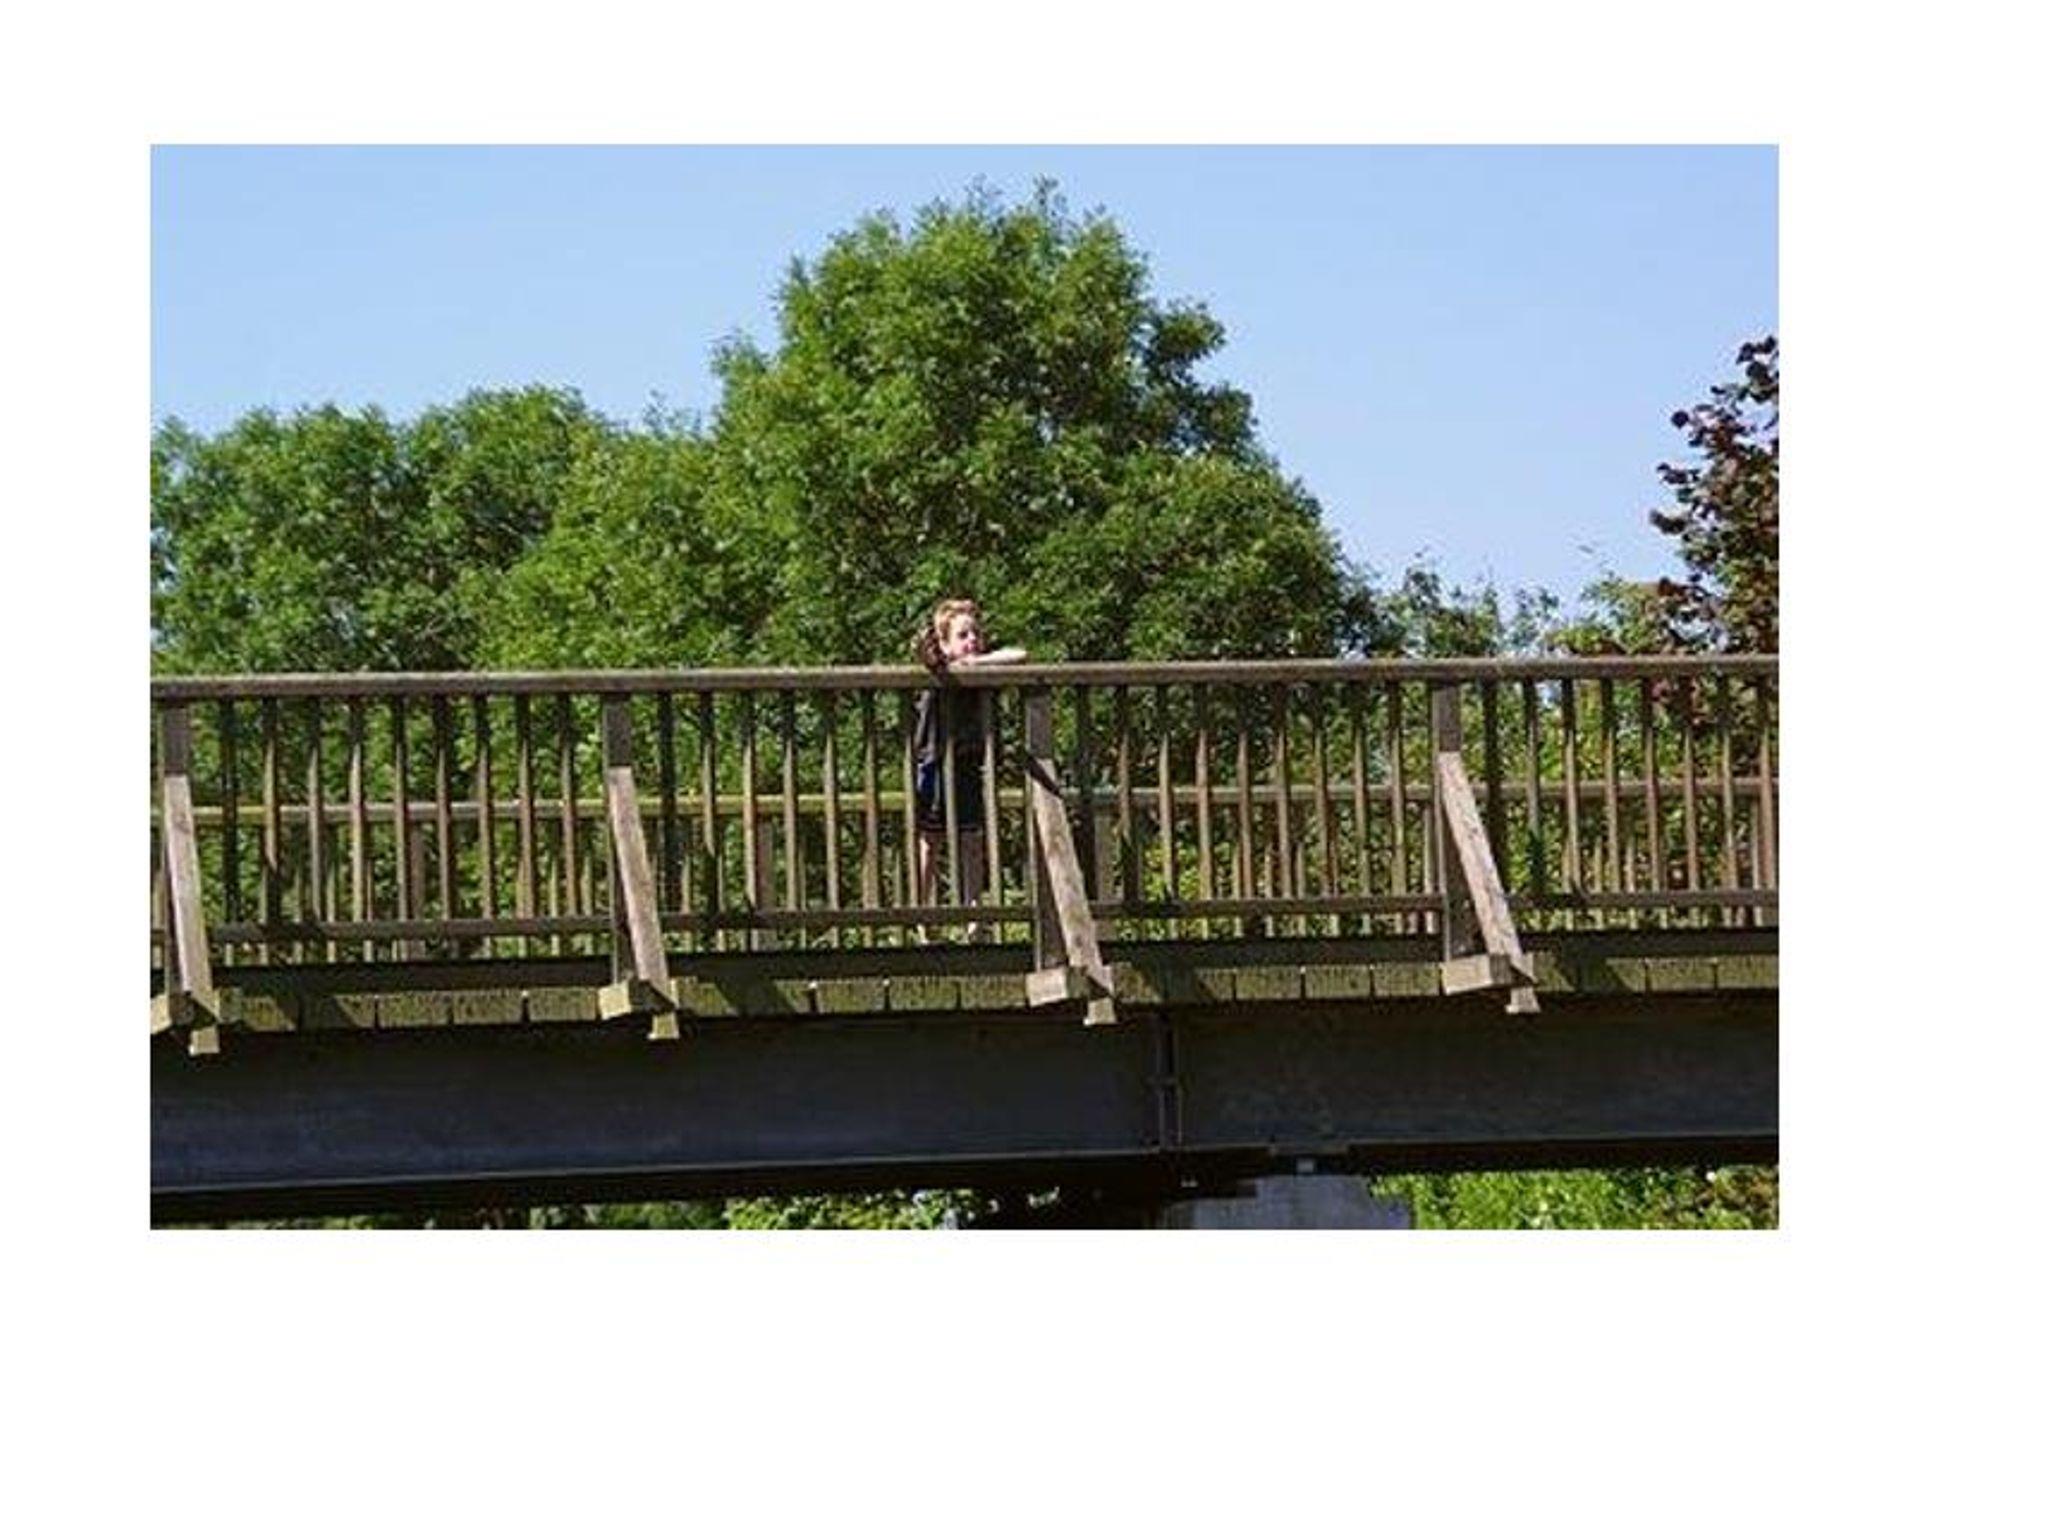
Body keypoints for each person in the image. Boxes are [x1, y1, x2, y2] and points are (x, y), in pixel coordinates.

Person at [911, 598, 1027, 937]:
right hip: (934, 762)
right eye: (963, 635)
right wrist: (949, 657)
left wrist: (979, 662)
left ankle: (974, 913)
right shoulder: (939, 670)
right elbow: (926, 653)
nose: (973, 640)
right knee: (930, 839)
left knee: (972, 839)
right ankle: (923, 914)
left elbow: (1020, 655)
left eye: (976, 633)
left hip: (967, 762)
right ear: (945, 643)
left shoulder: (982, 671)